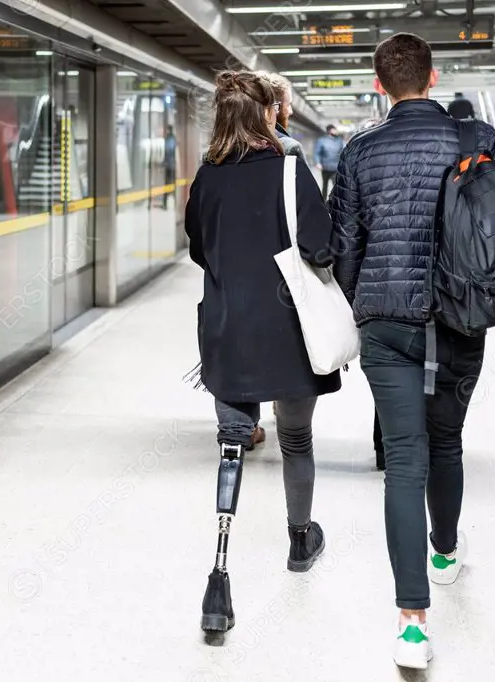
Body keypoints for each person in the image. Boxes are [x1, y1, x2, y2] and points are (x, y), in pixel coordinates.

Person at [329, 34, 495, 669]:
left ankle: (411, 623)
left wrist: (361, 298)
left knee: (406, 461)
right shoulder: (477, 141)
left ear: (380, 85)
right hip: (460, 318)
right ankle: (445, 551)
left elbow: (344, 248)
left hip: (386, 322)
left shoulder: (360, 150)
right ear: (434, 77)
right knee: (446, 443)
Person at [186, 70, 340, 636]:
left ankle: (219, 578)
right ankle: (301, 541)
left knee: (232, 446)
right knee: (295, 438)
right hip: (289, 330)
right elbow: (322, 246)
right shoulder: (290, 171)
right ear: (266, 116)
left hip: (228, 331)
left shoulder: (206, 176)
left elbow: (199, 249)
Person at [265, 73, 307, 163]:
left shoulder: (230, 141)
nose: (291, 111)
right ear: (275, 107)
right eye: (288, 105)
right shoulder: (290, 147)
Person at [313, 124, 344, 201]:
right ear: (329, 131)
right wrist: (318, 163)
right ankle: (323, 201)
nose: (336, 131)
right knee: (325, 185)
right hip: (325, 167)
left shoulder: (339, 141)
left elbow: (343, 152)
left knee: (336, 186)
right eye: (334, 129)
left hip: (336, 167)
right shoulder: (321, 140)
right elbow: (317, 153)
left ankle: (335, 201)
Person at [162, 124, 177, 208]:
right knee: (170, 184)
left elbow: (168, 150)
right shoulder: (171, 139)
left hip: (170, 165)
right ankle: (166, 204)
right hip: (170, 165)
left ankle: (167, 204)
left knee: (168, 184)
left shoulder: (169, 139)